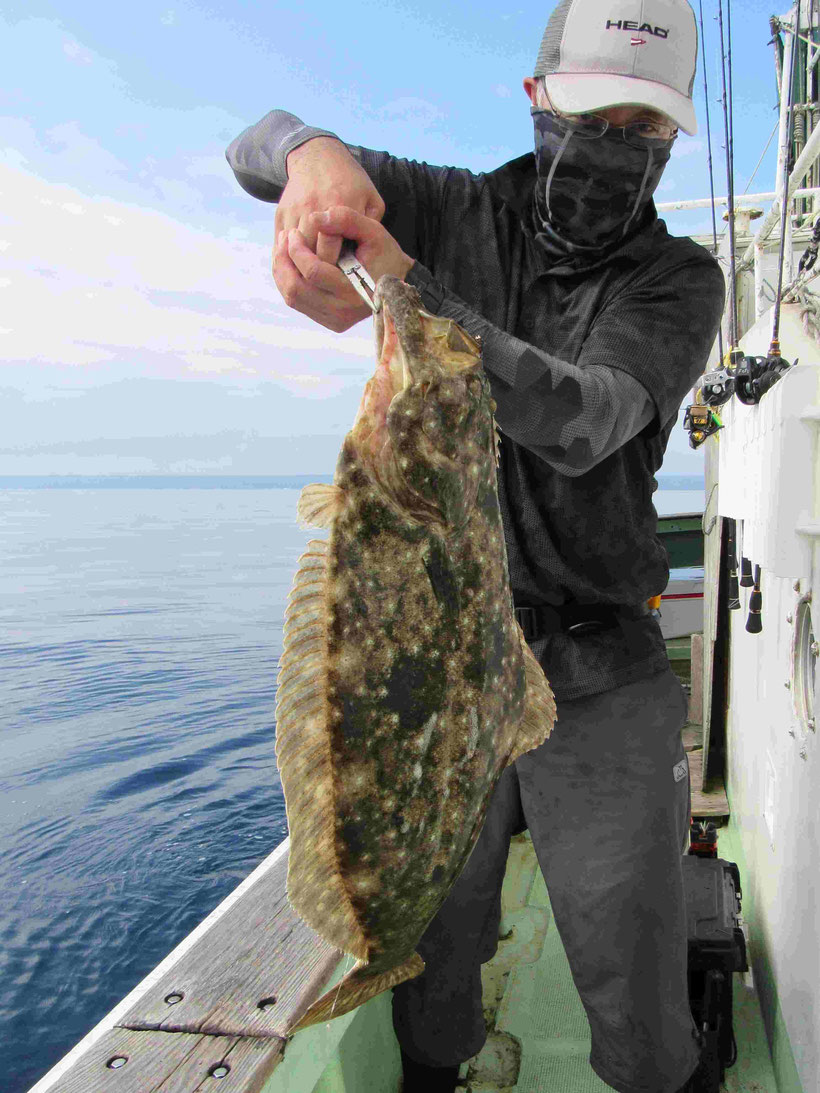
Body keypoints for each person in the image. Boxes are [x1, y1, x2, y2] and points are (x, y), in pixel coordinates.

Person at [226, 1, 724, 1090]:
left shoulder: (678, 280)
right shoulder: (452, 205)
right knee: (432, 941)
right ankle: (429, 1072)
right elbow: (255, 146)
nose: (614, 150)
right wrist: (311, 161)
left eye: (645, 130)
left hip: (598, 669)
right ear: (538, 99)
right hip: (435, 675)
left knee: (623, 949)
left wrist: (407, 296)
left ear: (672, 141)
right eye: (594, 113)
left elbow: (588, 419)